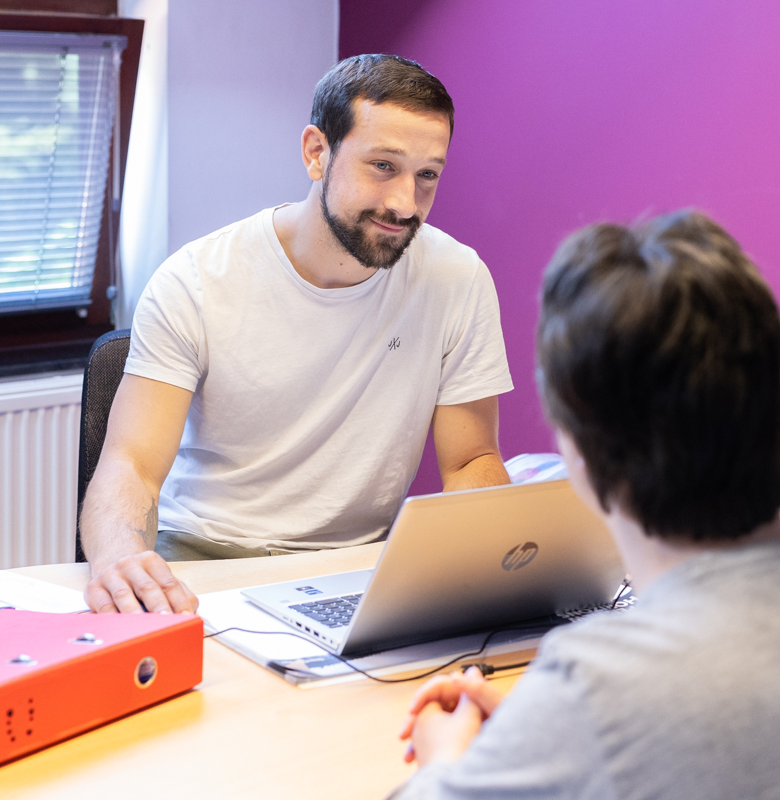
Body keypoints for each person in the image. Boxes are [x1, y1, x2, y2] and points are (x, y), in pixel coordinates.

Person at [80, 54, 513, 615]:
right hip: (202, 561)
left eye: (427, 175)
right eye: (383, 166)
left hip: (361, 567)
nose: (405, 203)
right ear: (316, 153)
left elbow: (471, 460)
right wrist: (120, 557)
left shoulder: (457, 278)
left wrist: (487, 566)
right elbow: (131, 465)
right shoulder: (197, 280)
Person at [393, 210, 780, 798]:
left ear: (578, 452)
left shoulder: (600, 683)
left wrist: (444, 763)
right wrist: (550, 741)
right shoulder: (602, 701)